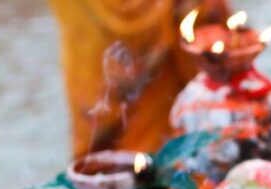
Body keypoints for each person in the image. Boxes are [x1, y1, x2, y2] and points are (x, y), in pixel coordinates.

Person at [50, 0, 230, 158]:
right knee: (119, 167)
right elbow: (123, 16)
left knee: (194, 146)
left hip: (172, 71)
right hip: (98, 54)